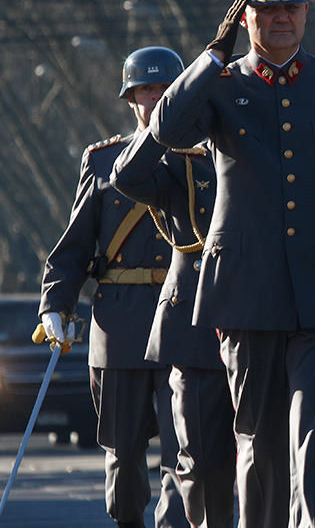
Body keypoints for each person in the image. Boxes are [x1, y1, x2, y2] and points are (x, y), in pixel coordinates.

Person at [150, 0, 315, 528]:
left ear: (307, 12)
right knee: (258, 444)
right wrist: (213, 56)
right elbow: (165, 129)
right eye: (266, 9)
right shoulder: (219, 85)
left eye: (292, 6)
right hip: (246, 292)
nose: (281, 17)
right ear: (245, 19)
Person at [38, 46, 188, 528]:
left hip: (186, 320)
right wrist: (55, 304)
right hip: (119, 324)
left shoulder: (205, 159)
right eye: (146, 89)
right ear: (130, 98)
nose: (156, 97)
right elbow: (74, 246)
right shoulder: (104, 162)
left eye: (166, 88)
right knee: (123, 460)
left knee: (187, 455)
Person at [111, 118, 235, 528]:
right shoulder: (180, 163)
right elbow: (126, 176)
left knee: (266, 456)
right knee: (192, 461)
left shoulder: (268, 151)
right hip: (187, 327)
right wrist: (170, 116)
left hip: (262, 315)